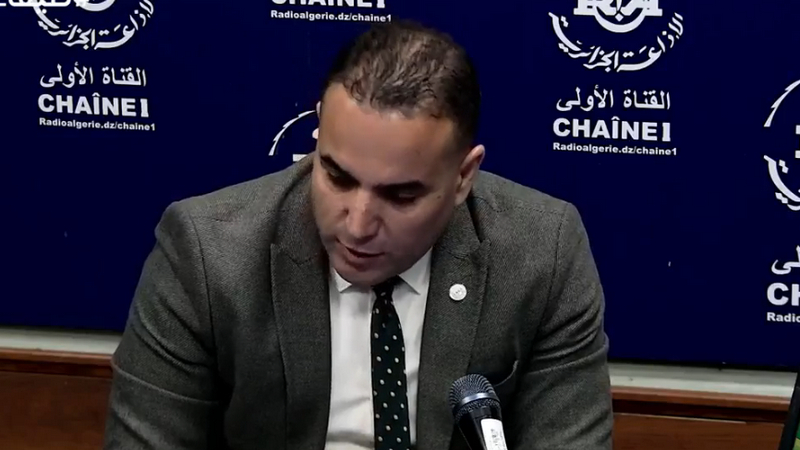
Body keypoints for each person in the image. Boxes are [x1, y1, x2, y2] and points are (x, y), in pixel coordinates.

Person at [103, 20, 613, 450]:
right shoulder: (207, 253)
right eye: (337, 177)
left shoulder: (542, 251)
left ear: (463, 177)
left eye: (401, 196)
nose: (358, 224)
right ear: (319, 131)